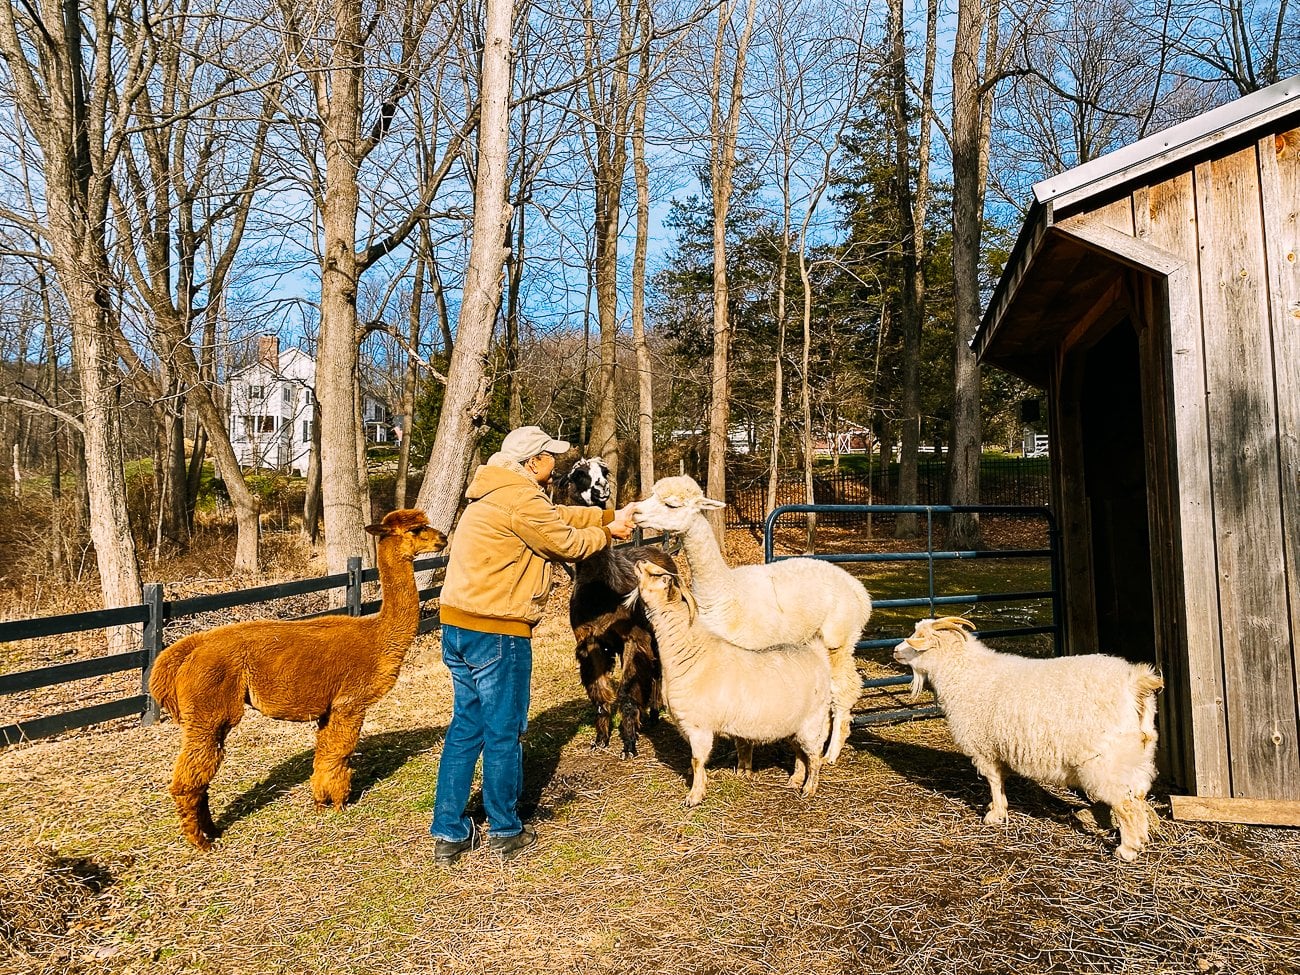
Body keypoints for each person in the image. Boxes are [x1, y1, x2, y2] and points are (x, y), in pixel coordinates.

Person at [431, 426, 635, 864]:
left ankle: (448, 831)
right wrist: (608, 534)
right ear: (532, 462)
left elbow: (556, 515)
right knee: (504, 731)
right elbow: (564, 541)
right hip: (497, 630)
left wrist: (606, 516)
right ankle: (505, 829)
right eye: (549, 455)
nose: (555, 463)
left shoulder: (493, 493)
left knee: (466, 727)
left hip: (458, 625)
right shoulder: (521, 498)